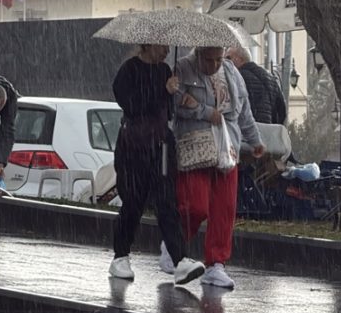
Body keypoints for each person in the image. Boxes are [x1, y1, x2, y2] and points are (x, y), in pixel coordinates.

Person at [109, 44, 206, 285]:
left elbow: (166, 112)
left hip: (161, 145)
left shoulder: (165, 70)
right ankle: (121, 255)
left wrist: (175, 94)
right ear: (148, 44)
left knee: (166, 202)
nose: (165, 51)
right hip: (134, 145)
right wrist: (161, 89)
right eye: (161, 46)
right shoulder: (129, 70)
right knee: (133, 201)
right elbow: (131, 105)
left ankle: (180, 258)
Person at [171, 46, 265, 289]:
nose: (214, 65)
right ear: (199, 54)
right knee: (195, 204)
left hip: (227, 146)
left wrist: (254, 140)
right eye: (209, 59)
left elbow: (244, 112)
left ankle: (216, 264)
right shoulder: (182, 67)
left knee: (224, 208)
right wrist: (205, 112)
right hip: (197, 145)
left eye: (218, 59)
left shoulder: (232, 72)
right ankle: (174, 244)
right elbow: (176, 104)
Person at [226, 46, 287, 125]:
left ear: (239, 59)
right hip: (268, 131)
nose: (225, 62)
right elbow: (282, 110)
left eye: (228, 58)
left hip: (248, 130)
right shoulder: (270, 78)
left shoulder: (237, 78)